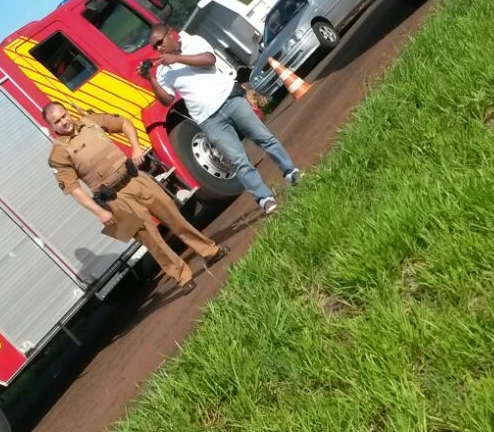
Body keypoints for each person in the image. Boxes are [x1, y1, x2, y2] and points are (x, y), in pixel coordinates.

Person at [42, 102, 228, 292]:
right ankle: (182, 277)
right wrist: (99, 212)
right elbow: (74, 189)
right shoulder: (58, 155)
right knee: (152, 241)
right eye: (57, 121)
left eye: (64, 116)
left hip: (137, 179)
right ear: (52, 127)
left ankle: (210, 251)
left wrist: (136, 148)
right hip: (115, 200)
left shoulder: (90, 121)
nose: (64, 122)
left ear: (67, 112)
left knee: (175, 218)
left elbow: (124, 123)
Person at [142, 24, 301, 215]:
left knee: (263, 138)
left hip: (230, 101)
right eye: (155, 47)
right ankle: (265, 198)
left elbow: (209, 60)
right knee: (237, 160)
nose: (159, 48)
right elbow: (166, 100)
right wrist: (150, 79)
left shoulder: (193, 42)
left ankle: (291, 172)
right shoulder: (162, 72)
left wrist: (175, 58)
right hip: (208, 120)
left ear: (170, 34)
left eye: (160, 42)